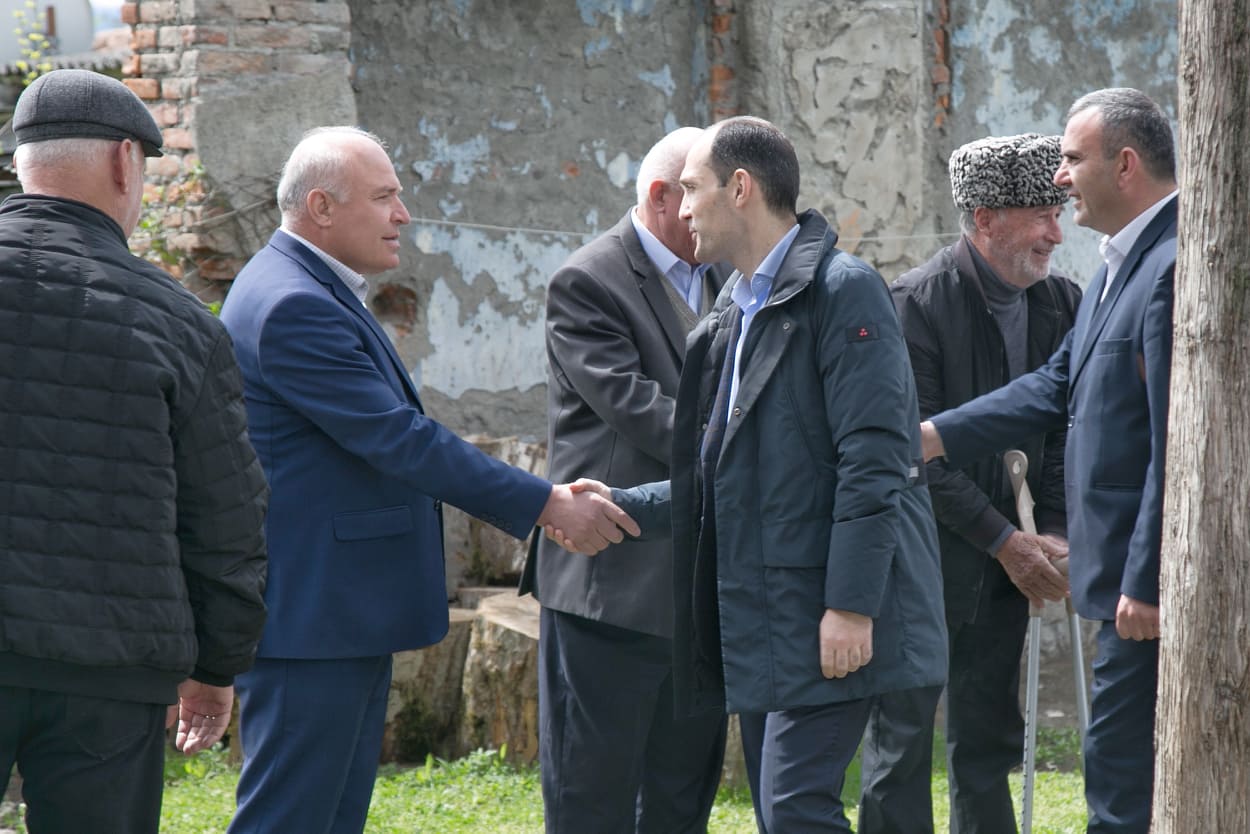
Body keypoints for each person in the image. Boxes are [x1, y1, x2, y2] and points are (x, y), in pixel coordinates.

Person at [220, 126, 637, 834]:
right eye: (384, 197)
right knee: (291, 819)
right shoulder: (293, 303)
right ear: (321, 206)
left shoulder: (307, 286)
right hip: (311, 622)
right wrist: (543, 501)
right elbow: (398, 439)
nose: (403, 214)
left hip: (334, 618)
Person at [557, 116, 948, 832]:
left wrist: (851, 606)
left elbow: (876, 460)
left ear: (740, 189)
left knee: (794, 807)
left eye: (692, 189)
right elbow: (722, 474)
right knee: (785, 808)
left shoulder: (844, 289)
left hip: (832, 611)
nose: (681, 208)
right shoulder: (730, 315)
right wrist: (624, 504)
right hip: (775, 615)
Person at [0, 69, 268, 833]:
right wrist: (216, 666)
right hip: (111, 673)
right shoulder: (179, 322)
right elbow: (226, 517)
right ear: (125, 161)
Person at [921, 88, 1178, 834]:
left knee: (1121, 779)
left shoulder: (1169, 265)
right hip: (1115, 582)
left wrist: (1147, 579)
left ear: (1124, 165)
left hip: (1143, 586)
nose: (1061, 179)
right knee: (1116, 767)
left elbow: (1174, 447)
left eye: (1070, 160)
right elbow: (1055, 386)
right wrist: (932, 436)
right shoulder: (1120, 265)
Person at [857, 133, 1082, 834]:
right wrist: (1003, 540)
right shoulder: (913, 305)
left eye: (1058, 213)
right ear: (986, 218)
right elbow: (910, 452)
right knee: (901, 744)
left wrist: (1051, 530)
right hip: (922, 560)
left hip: (1010, 563)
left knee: (985, 742)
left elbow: (1064, 430)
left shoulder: (1063, 303)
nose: (1056, 233)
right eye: (1041, 215)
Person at [520, 126, 729, 834]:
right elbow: (638, 408)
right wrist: (756, 448)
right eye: (703, 194)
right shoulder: (588, 280)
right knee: (592, 797)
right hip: (609, 586)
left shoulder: (725, 276)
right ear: (662, 196)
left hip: (700, 591)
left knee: (682, 799)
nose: (714, 211)